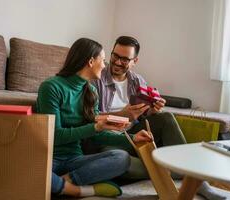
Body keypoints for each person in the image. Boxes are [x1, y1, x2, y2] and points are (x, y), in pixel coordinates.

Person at [92, 36, 226, 200]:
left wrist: (152, 111)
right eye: (115, 56)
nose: (118, 62)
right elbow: (91, 118)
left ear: (135, 61)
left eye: (125, 59)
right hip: (109, 138)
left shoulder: (137, 80)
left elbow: (142, 116)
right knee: (118, 160)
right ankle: (181, 171)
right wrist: (122, 114)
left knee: (166, 117)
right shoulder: (97, 78)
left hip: (135, 133)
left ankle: (197, 181)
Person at [36, 38, 152, 198]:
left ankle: (62, 183)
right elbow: (55, 135)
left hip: (74, 160)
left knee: (121, 157)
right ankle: (78, 190)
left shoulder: (90, 91)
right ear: (91, 61)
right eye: (103, 60)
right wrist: (96, 127)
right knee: (25, 167)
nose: (105, 65)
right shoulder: (51, 87)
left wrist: (133, 138)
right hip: (49, 157)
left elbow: (97, 136)